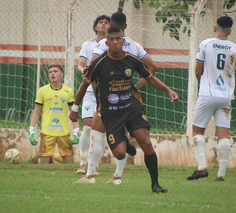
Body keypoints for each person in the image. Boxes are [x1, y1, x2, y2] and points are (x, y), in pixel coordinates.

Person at [70, 26, 179, 193]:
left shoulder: (132, 60)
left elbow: (150, 78)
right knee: (120, 154)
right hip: (110, 113)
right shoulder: (99, 62)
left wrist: (169, 90)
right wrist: (75, 109)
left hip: (131, 108)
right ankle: (125, 141)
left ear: (123, 40)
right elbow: (84, 85)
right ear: (106, 43)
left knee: (146, 142)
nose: (115, 42)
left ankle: (155, 184)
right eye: (111, 40)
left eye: (117, 39)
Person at [76, 12, 159, 185]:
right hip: (125, 96)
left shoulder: (102, 44)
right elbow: (152, 67)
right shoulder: (134, 45)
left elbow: (92, 66)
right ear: (126, 26)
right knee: (121, 135)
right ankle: (117, 177)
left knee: (96, 133)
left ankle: (90, 175)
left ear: (111, 26)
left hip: (103, 97)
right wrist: (134, 87)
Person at [187, 16, 236, 181]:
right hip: (225, 98)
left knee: (197, 131)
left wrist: (203, 86)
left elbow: (197, 70)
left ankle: (201, 167)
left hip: (207, 95)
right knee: (224, 135)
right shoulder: (235, 49)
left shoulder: (206, 44)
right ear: (230, 31)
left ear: (215, 28)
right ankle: (221, 174)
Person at [75, 15, 111, 174]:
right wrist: (87, 72)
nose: (103, 25)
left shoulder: (114, 44)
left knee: (101, 130)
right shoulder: (87, 44)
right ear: (95, 27)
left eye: (106, 22)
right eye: (100, 23)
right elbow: (80, 65)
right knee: (88, 127)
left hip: (108, 91)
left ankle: (94, 165)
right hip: (90, 90)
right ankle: (83, 163)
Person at [29, 64, 77, 164]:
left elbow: (74, 113)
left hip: (63, 132)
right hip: (47, 132)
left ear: (61, 75)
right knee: (43, 165)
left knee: (69, 164)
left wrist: (76, 131)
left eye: (55, 71)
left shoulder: (68, 91)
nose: (52, 74)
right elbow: (36, 112)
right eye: (50, 72)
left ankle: (52, 158)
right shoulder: (42, 91)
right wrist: (31, 130)